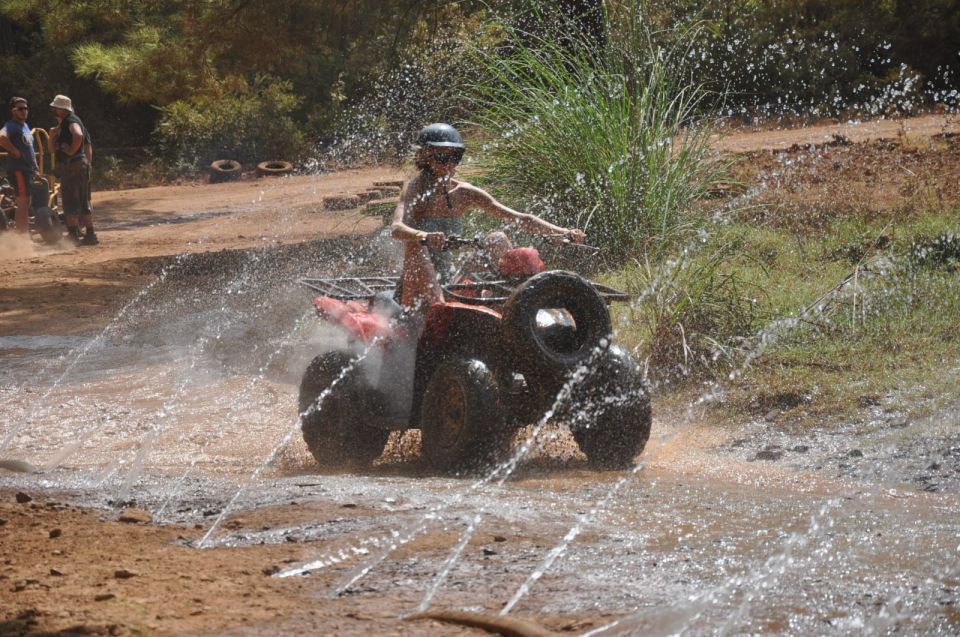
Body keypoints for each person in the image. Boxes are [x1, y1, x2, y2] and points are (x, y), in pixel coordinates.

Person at [391, 123, 585, 310]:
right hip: (415, 284)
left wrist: (563, 232)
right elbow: (397, 229)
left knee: (497, 239)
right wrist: (423, 236)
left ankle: (520, 306)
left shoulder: (464, 192)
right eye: (442, 157)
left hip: (449, 278)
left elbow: (520, 218)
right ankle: (440, 312)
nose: (450, 164)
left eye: (455, 157)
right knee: (415, 245)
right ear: (425, 156)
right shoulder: (414, 189)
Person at [49, 94, 96, 245]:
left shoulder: (70, 121)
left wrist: (71, 151)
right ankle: (90, 235)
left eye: (56, 107)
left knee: (70, 202)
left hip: (72, 166)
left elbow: (78, 135)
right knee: (83, 201)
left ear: (62, 109)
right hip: (79, 165)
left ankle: (73, 235)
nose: (54, 110)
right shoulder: (70, 122)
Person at [0, 97, 38, 234]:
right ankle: (22, 237)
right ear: (13, 111)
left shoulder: (25, 126)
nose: (24, 111)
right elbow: (2, 137)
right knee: (23, 202)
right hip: (18, 170)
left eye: (26, 108)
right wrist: (14, 150)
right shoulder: (11, 125)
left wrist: (35, 166)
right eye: (20, 108)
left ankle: (22, 233)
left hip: (27, 170)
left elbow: (30, 148)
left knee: (26, 202)